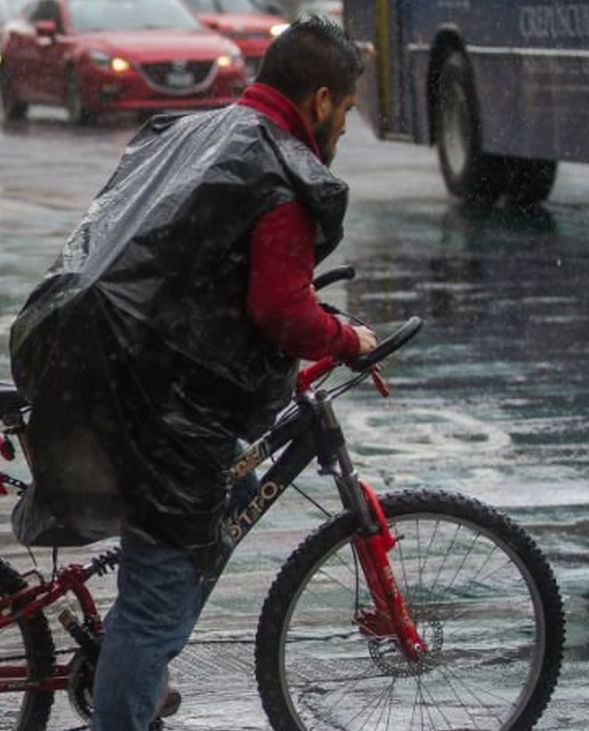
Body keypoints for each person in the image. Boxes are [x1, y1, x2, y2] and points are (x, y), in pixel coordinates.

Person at [76, 16, 377, 729]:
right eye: (346, 110)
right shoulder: (279, 171)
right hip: (173, 415)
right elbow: (279, 310)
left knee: (212, 519)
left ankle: (135, 672)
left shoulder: (191, 132)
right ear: (321, 99)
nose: (344, 126)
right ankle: (128, 686)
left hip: (118, 375)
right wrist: (342, 337)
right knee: (153, 604)